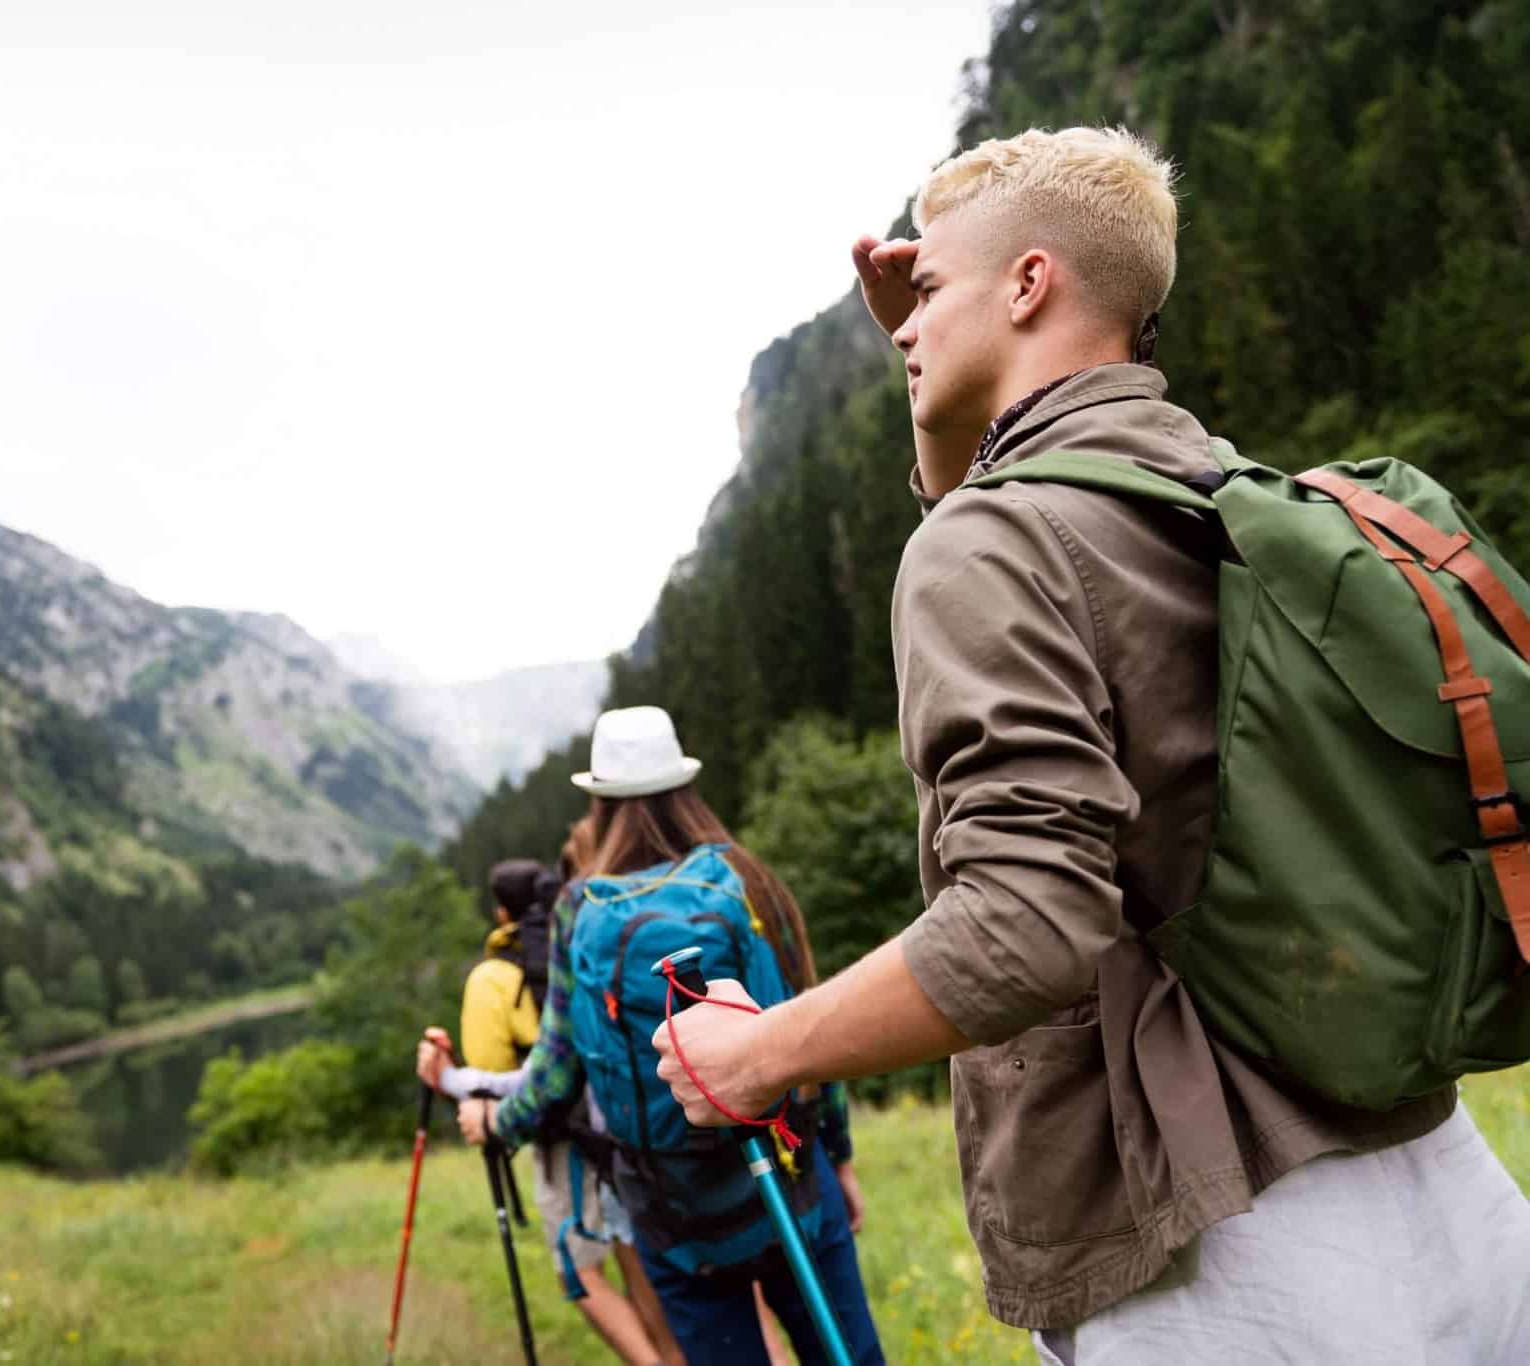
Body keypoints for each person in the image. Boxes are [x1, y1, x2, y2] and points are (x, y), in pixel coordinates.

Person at [648, 125, 1530, 1363]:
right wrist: (941, 375)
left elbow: (1025, 921)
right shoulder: (1219, 493)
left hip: (1220, 1263)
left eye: (930, 291)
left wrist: (757, 1054)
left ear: (1027, 284)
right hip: (1443, 1199)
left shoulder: (993, 547)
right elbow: (999, 511)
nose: (902, 327)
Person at [458, 706, 884, 1365]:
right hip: (792, 1178)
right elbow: (806, 1033)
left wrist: (496, 1123)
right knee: (847, 1355)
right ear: (685, 787)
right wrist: (840, 1160)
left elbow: (555, 1073)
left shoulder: (581, 907)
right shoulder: (745, 878)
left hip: (675, 1213)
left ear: (598, 802)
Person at [415, 853, 682, 1366]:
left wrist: (453, 1082)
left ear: (499, 913)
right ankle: (673, 1357)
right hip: (617, 1128)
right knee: (633, 1255)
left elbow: (500, 1073)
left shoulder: (492, 977)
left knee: (579, 1271)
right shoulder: (584, 941)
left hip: (561, 1135)